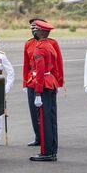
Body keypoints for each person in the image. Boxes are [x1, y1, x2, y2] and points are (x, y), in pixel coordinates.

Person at [23, 18, 64, 147]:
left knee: (46, 114)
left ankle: (47, 142)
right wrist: (25, 82)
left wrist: (59, 82)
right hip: (32, 80)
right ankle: (39, 137)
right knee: (34, 112)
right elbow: (26, 65)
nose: (33, 30)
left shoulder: (51, 43)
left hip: (45, 81)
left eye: (35, 28)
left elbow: (57, 64)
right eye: (31, 28)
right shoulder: (29, 44)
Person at [28, 20, 59, 162]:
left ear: (41, 32)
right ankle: (52, 150)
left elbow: (40, 72)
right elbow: (55, 68)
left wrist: (38, 93)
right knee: (51, 119)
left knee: (45, 120)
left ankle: (46, 152)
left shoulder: (40, 48)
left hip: (44, 85)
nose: (33, 31)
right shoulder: (49, 45)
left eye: (35, 29)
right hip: (51, 82)